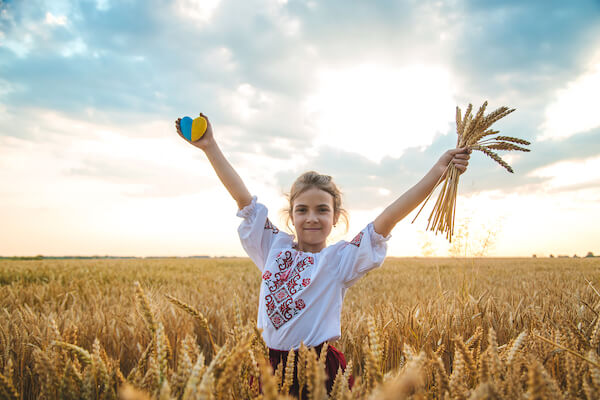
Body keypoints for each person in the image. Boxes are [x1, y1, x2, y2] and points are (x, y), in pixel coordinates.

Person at [175, 113, 470, 397]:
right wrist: (210, 146)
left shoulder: (338, 261)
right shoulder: (272, 246)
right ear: (291, 216)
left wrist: (437, 173)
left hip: (320, 371)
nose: (311, 218)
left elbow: (389, 217)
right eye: (302, 210)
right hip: (270, 366)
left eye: (322, 210)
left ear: (336, 217)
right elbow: (243, 198)